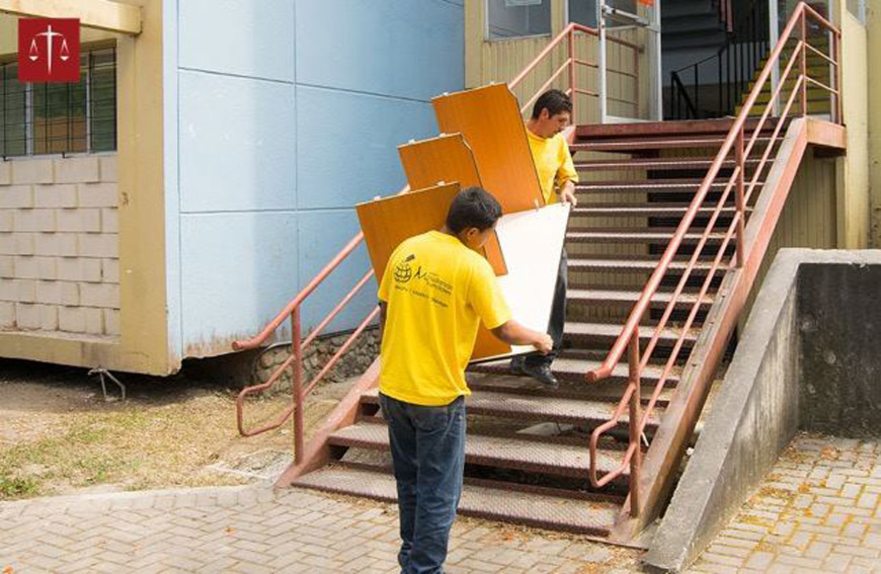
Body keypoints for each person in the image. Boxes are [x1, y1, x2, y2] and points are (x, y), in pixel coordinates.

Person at [378, 187, 553, 574]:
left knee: (410, 484)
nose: (489, 240)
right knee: (439, 494)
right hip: (437, 396)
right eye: (489, 233)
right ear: (472, 232)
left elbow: (385, 309)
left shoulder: (406, 248)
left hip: (393, 388)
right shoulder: (472, 266)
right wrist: (540, 338)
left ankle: (411, 560)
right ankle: (423, 569)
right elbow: (504, 330)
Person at [510, 88, 580, 389]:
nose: (563, 127)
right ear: (544, 115)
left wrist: (566, 188)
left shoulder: (559, 143)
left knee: (557, 286)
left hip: (547, 226)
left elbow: (568, 175)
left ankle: (542, 359)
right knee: (519, 291)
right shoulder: (512, 138)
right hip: (514, 225)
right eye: (560, 121)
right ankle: (519, 354)